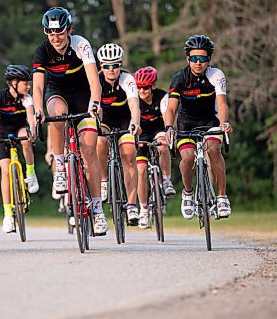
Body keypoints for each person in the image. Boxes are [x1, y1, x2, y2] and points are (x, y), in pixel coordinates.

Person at [32, 6, 108, 235]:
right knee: (56, 112)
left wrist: (95, 103)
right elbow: (37, 85)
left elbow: (95, 81)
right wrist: (37, 109)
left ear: (69, 30)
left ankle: (97, 209)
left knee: (89, 150)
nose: (55, 37)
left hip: (83, 95)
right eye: (50, 32)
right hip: (58, 93)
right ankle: (61, 167)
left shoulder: (81, 45)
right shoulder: (42, 51)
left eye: (60, 31)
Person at [164, 34, 232, 220]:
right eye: (194, 58)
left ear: (208, 59)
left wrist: (224, 122)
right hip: (186, 123)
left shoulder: (216, 75)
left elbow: (223, 104)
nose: (198, 63)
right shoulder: (179, 79)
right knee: (187, 157)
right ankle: (187, 193)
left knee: (214, 150)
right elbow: (171, 108)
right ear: (188, 58)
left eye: (202, 58)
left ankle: (221, 197)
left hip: (210, 121)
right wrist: (169, 127)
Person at [0, 65, 39, 233]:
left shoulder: (26, 98)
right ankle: (8, 214)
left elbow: (30, 117)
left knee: (26, 140)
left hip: (19, 127)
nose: (28, 86)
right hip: (2, 130)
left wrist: (33, 130)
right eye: (25, 83)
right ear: (13, 83)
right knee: (6, 171)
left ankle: (30, 174)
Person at [96, 43, 141, 226]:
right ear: (101, 66)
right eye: (106, 66)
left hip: (124, 119)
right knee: (100, 142)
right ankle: (104, 179)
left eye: (115, 65)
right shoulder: (96, 80)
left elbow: (134, 105)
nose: (111, 69)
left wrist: (136, 123)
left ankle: (131, 205)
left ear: (120, 65)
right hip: (104, 119)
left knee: (129, 155)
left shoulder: (127, 79)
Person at [133, 66, 175, 229]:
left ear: (153, 86)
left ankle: (166, 180)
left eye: (145, 87)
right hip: (141, 134)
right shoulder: (134, 99)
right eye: (139, 87)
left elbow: (167, 118)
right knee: (141, 170)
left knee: (163, 146)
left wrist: (167, 134)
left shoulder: (162, 97)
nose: (142, 90)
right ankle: (143, 209)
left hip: (158, 131)